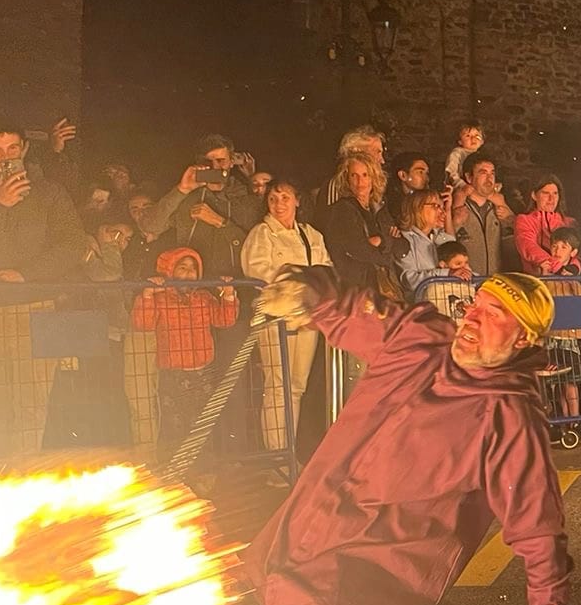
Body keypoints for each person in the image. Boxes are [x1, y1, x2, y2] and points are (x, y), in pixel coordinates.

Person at [243, 269, 581, 605]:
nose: (472, 318)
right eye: (476, 304)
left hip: (370, 574)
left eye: (495, 313)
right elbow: (354, 311)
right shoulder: (419, 339)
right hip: (302, 537)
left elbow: (536, 527)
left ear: (523, 338)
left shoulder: (508, 417)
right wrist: (311, 292)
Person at [242, 179, 332, 451]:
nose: (279, 204)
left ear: (297, 200)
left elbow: (325, 267)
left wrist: (312, 290)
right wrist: (297, 284)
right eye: (273, 199)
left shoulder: (311, 234)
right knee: (277, 385)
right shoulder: (262, 233)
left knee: (296, 386)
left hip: (306, 317)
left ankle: (289, 452)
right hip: (275, 318)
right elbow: (257, 269)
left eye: (284, 198)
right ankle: (276, 454)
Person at [130, 247, 239, 452]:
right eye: (182, 267)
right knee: (175, 425)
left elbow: (225, 320)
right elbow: (143, 324)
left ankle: (205, 470)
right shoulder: (159, 299)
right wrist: (147, 295)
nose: (189, 273)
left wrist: (229, 295)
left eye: (193, 268)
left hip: (203, 371)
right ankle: (175, 472)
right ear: (169, 271)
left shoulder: (204, 297)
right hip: (173, 373)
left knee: (203, 423)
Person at [0, 118, 86, 282]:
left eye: (12, 148)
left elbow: (73, 244)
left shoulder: (50, 191)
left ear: (24, 148)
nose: (4, 156)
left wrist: (27, 274)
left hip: (37, 297)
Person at [140, 134, 263, 280]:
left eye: (221, 160)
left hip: (233, 287)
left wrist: (220, 222)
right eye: (208, 161)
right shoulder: (187, 197)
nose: (215, 166)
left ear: (231, 162)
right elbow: (151, 226)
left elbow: (255, 247)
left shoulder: (245, 199)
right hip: (193, 287)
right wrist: (182, 189)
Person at [319, 154, 406, 295]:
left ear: (374, 178)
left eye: (365, 175)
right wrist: (387, 244)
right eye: (354, 175)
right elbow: (358, 250)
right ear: (347, 179)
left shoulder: (379, 209)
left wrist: (381, 240)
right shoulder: (343, 209)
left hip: (381, 285)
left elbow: (403, 248)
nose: (360, 181)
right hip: (356, 288)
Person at [451, 154, 514, 277]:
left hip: (495, 285)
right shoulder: (457, 207)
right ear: (469, 177)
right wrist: (455, 219)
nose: (489, 178)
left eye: (492, 173)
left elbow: (515, 239)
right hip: (465, 284)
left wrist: (511, 218)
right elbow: (444, 242)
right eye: (483, 173)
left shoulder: (501, 207)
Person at [396, 189, 458, 295]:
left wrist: (448, 210)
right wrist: (445, 273)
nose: (442, 212)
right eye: (436, 206)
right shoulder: (405, 239)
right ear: (417, 208)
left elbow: (453, 247)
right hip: (422, 306)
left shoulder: (438, 237)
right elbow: (410, 280)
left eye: (443, 208)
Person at [514, 174, 576, 274]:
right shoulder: (524, 220)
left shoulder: (569, 222)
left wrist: (575, 267)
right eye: (546, 193)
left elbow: (577, 250)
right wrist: (556, 267)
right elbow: (527, 245)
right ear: (534, 195)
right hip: (537, 280)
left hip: (567, 278)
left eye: (555, 193)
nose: (551, 199)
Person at [320, 126, 386, 208]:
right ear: (358, 152)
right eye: (377, 152)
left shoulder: (375, 186)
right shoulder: (337, 186)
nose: (382, 161)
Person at [384, 152, 432, 228]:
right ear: (403, 175)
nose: (426, 178)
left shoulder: (428, 203)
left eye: (427, 173)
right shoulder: (389, 206)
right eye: (420, 172)